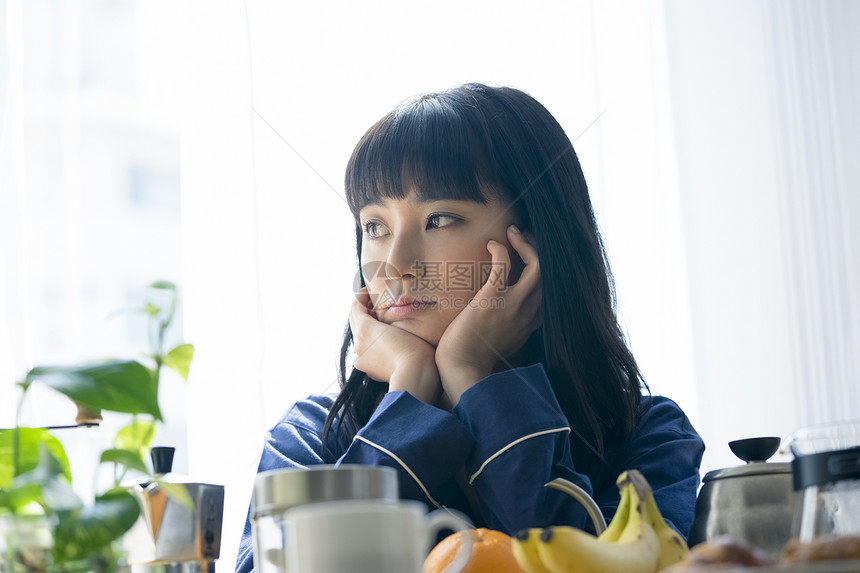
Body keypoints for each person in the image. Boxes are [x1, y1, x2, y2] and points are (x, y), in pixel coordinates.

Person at [235, 83, 704, 573]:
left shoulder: (648, 436)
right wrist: (408, 390)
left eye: (439, 219)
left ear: (535, 244)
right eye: (374, 226)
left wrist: (471, 368)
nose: (394, 265)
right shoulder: (309, 437)